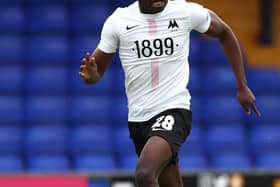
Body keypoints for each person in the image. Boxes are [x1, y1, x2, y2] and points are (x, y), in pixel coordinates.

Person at [79, 0, 261, 186]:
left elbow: (225, 32)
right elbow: (94, 74)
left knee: (145, 174)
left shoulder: (185, 12)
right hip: (138, 120)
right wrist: (91, 76)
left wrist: (242, 86)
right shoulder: (119, 21)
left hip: (174, 110)